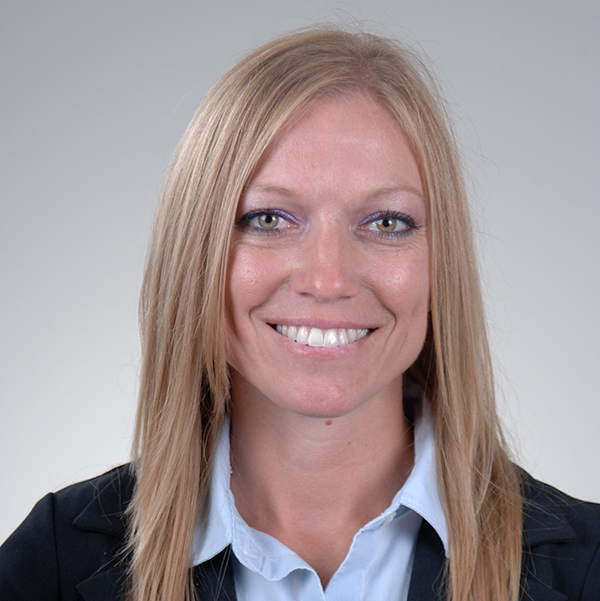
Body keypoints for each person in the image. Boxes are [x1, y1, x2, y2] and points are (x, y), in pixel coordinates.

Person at [1, 27, 599, 601]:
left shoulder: (588, 569)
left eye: (387, 222)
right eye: (268, 219)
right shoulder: (52, 565)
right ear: (195, 253)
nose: (328, 279)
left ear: (442, 263)